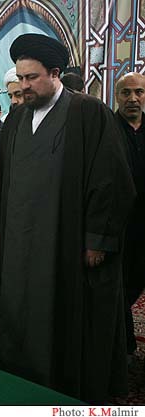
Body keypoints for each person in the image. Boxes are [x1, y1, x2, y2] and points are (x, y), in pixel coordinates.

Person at [0, 33, 135, 403]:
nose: (24, 86)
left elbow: (111, 181)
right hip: (21, 240)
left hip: (66, 242)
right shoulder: (17, 118)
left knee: (66, 317)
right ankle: (22, 379)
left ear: (55, 74)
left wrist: (97, 238)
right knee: (20, 308)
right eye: (20, 78)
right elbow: (0, 175)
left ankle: (65, 391)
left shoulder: (88, 112)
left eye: (31, 78)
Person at [113, 72, 145, 361]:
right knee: (120, 286)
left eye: (139, 92)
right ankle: (124, 346)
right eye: (126, 93)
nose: (133, 98)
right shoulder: (107, 130)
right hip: (120, 226)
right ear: (117, 96)